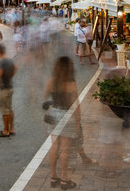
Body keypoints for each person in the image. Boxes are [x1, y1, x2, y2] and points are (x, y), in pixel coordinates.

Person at [43, 56, 80, 190]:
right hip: (67, 116)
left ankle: (53, 176)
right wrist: (78, 120)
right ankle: (65, 179)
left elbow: (44, 99)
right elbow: (76, 104)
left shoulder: (51, 81)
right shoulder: (71, 83)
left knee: (54, 146)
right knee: (65, 149)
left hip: (54, 114)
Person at [0, 43, 16, 138]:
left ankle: (5, 131)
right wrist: (10, 77)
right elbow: (15, 68)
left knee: (4, 110)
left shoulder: (2, 61)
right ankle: (12, 129)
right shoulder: (9, 60)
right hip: (10, 87)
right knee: (9, 108)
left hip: (3, 89)